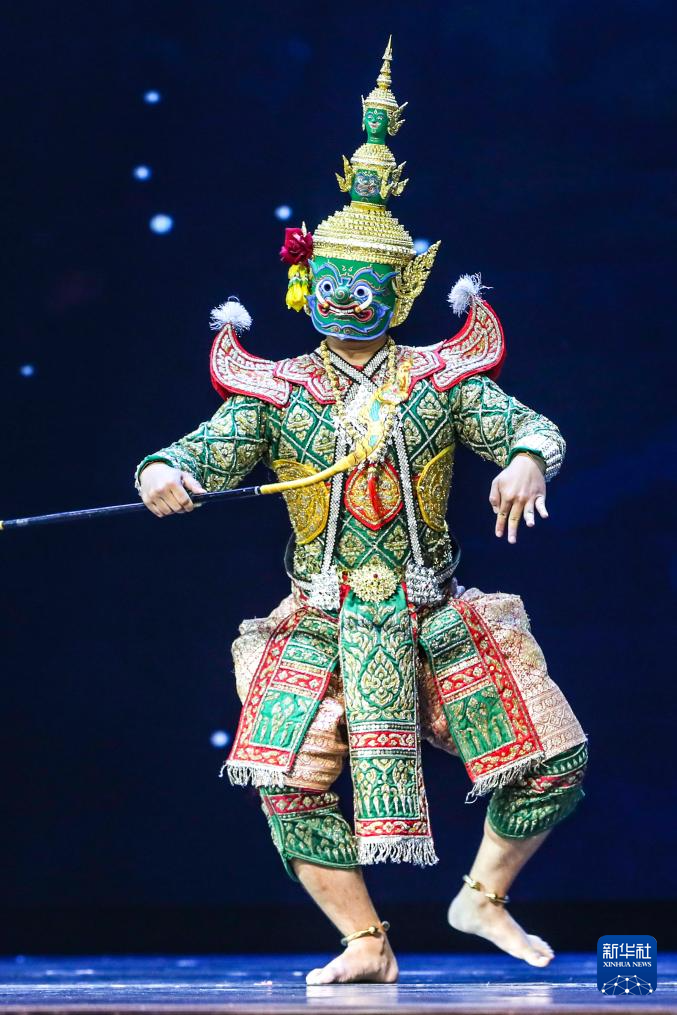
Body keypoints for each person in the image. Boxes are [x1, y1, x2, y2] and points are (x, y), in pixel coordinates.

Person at [134, 39, 588, 985]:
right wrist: (162, 470)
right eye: (330, 284)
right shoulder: (280, 392)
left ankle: (483, 894)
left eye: (365, 287)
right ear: (306, 285)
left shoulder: (439, 380)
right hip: (322, 615)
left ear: (402, 290)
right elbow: (199, 451)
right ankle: (364, 939)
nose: (344, 300)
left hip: (431, 616)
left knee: (553, 763)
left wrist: (524, 458)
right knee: (283, 782)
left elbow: (528, 424)